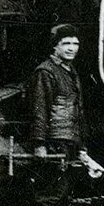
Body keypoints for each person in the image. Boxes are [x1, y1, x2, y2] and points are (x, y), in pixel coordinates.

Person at [30, 24, 86, 159]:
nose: (72, 48)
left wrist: (82, 147)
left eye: (75, 43)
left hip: (71, 140)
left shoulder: (71, 71)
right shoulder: (46, 72)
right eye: (66, 43)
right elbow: (40, 108)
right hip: (54, 141)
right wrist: (39, 144)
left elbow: (78, 110)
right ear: (55, 46)